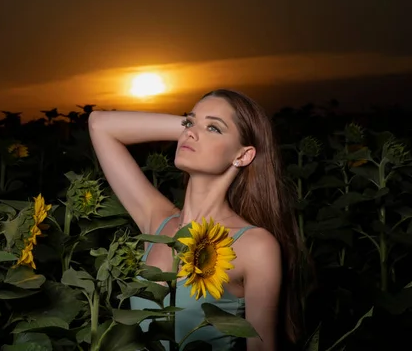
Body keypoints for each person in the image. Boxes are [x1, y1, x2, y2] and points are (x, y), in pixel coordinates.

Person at [88, 89, 306, 351]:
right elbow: (99, 124)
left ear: (243, 155)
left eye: (214, 128)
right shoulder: (156, 219)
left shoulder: (254, 245)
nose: (190, 132)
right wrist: (194, 129)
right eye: (189, 122)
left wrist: (200, 129)